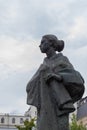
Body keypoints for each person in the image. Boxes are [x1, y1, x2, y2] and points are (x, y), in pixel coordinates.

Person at [26, 35, 85, 130]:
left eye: (42, 42)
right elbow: (29, 86)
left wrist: (59, 77)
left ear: (51, 43)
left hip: (58, 107)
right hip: (44, 107)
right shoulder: (44, 64)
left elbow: (77, 78)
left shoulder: (62, 60)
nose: (39, 45)